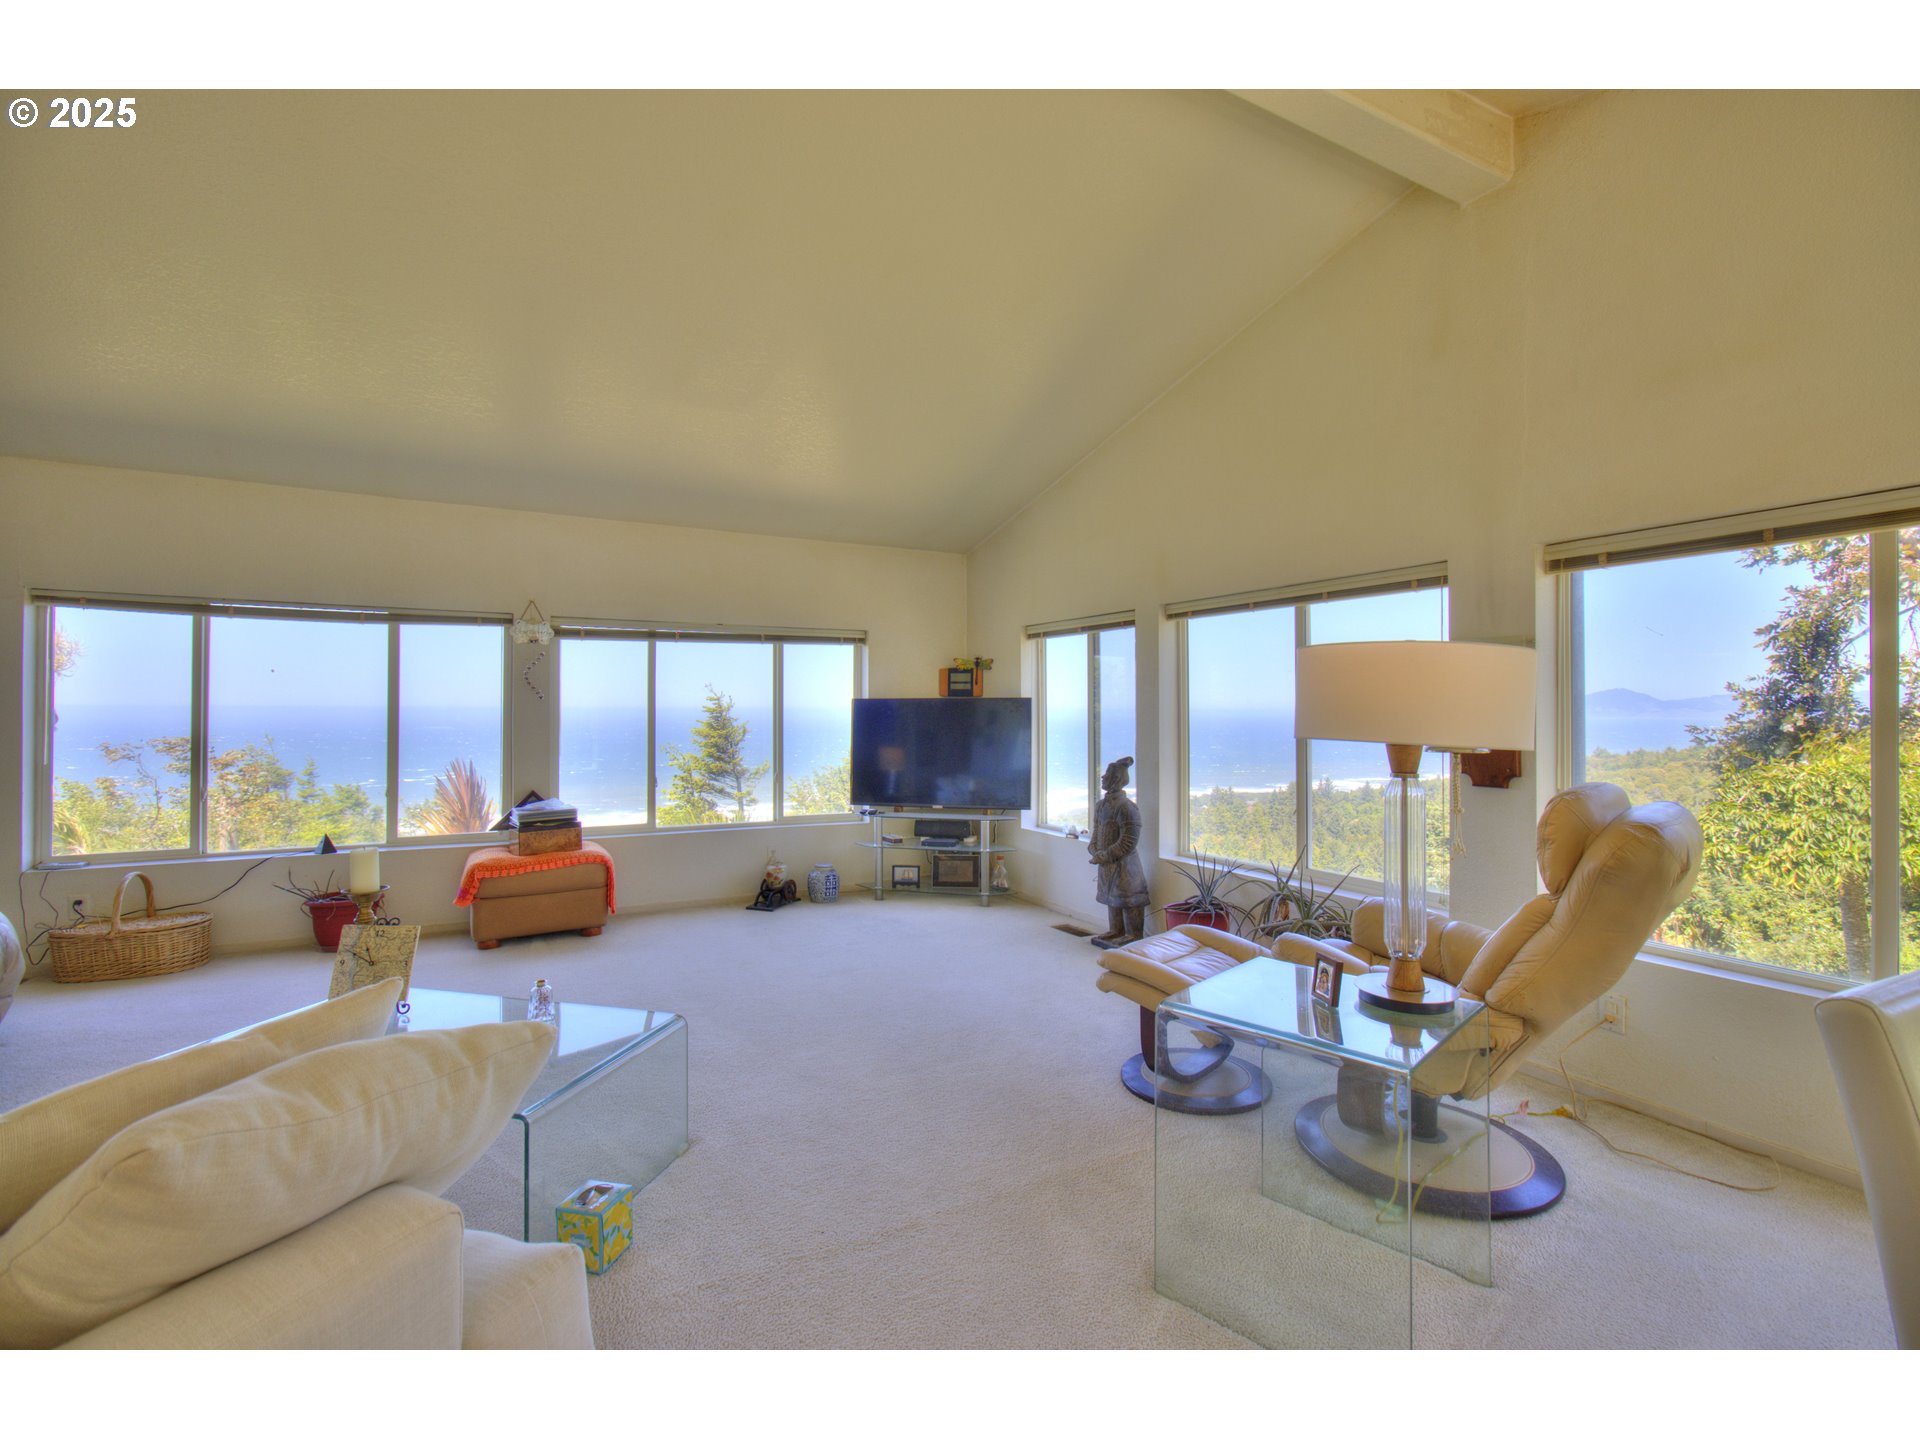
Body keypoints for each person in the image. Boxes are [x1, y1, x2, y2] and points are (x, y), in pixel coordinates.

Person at [1087, 755, 1149, 949]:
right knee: (1112, 897)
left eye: (1107, 775)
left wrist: (1105, 855)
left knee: (1127, 897)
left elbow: (1128, 841)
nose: (1103, 778)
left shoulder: (1127, 807)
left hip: (1125, 865)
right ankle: (1116, 930)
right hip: (1106, 862)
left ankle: (1133, 933)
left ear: (1116, 779)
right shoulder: (1101, 805)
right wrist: (1094, 848)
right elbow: (1097, 831)